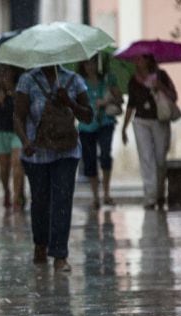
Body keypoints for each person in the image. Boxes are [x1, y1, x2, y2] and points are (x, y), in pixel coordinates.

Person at [14, 65, 93, 273]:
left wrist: (69, 102)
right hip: (37, 153)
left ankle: (60, 254)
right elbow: (18, 116)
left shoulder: (73, 79)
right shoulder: (27, 80)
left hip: (67, 152)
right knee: (40, 201)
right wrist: (24, 141)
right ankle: (40, 244)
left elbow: (88, 115)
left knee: (62, 200)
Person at [121, 54, 177, 210]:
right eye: (137, 58)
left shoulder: (162, 75)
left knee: (160, 158)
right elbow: (131, 105)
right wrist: (124, 128)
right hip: (140, 121)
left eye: (141, 58)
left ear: (149, 60)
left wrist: (160, 87)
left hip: (160, 120)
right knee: (146, 158)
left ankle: (160, 193)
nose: (137, 60)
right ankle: (150, 196)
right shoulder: (133, 80)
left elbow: (174, 96)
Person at [77, 55, 123, 208]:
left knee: (105, 155)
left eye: (93, 63)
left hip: (105, 122)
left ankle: (107, 193)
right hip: (86, 125)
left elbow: (120, 100)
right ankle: (95, 196)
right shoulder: (78, 82)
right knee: (89, 160)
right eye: (87, 63)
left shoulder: (108, 80)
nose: (90, 66)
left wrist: (107, 100)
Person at [0, 64, 25, 209]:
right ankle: (6, 191)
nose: (5, 74)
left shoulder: (20, 88)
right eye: (2, 71)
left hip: (17, 131)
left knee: (17, 163)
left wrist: (13, 94)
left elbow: (24, 107)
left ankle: (17, 196)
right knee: (4, 168)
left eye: (7, 71)